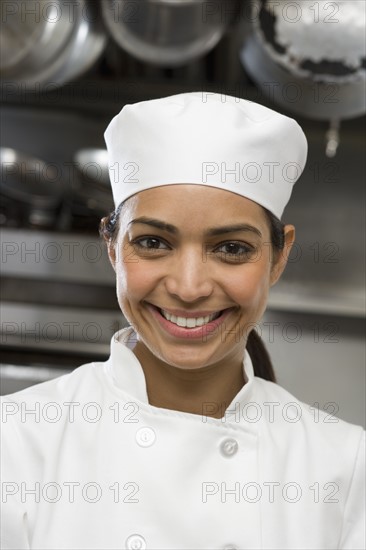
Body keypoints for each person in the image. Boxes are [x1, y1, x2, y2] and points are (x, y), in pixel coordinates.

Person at [1, 92, 364, 550]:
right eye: (153, 242)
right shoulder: (16, 442)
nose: (189, 288)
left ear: (279, 257)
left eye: (231, 248)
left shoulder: (345, 468)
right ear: (112, 248)